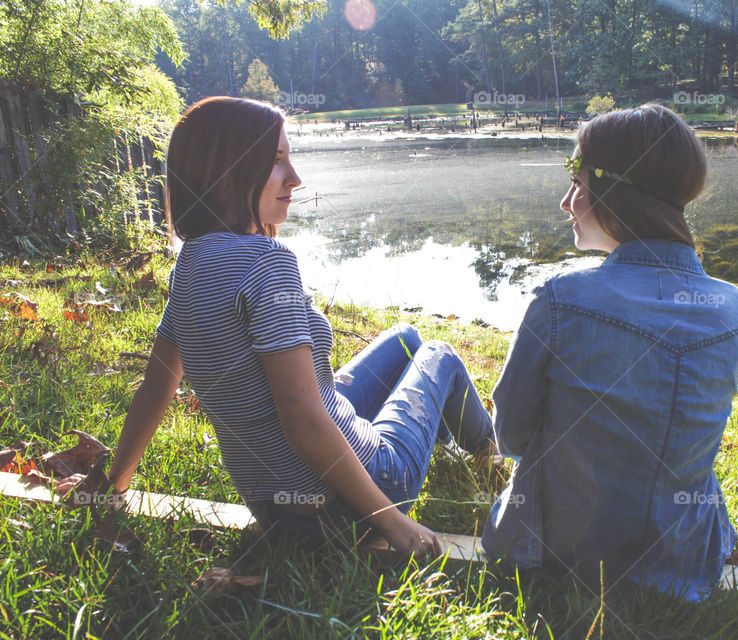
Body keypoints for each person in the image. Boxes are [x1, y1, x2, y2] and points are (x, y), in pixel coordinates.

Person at [103, 96, 496, 556]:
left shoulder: (190, 263)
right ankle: (488, 451)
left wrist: (112, 486)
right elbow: (303, 420)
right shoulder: (269, 265)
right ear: (227, 172)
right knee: (440, 354)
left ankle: (442, 440)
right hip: (355, 497)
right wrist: (393, 522)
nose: (295, 178)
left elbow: (156, 386)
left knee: (407, 338)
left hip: (275, 506)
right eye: (275, 161)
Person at [481, 105, 738, 602]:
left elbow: (512, 436)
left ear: (613, 191)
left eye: (578, 183)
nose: (567, 202)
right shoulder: (737, 311)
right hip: (686, 561)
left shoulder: (560, 299)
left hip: (553, 555)